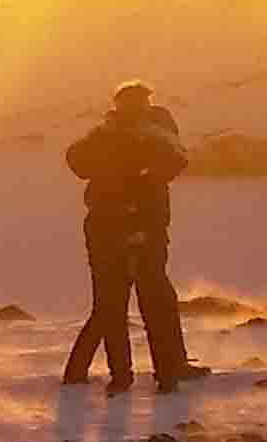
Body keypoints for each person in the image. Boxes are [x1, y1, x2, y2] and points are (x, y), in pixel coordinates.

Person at [59, 80, 193, 391]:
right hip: (124, 230)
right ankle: (158, 376)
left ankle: (119, 376)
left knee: (119, 305)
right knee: (141, 304)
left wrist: (131, 141)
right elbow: (79, 160)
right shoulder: (116, 137)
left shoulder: (148, 135)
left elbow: (175, 161)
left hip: (123, 229)